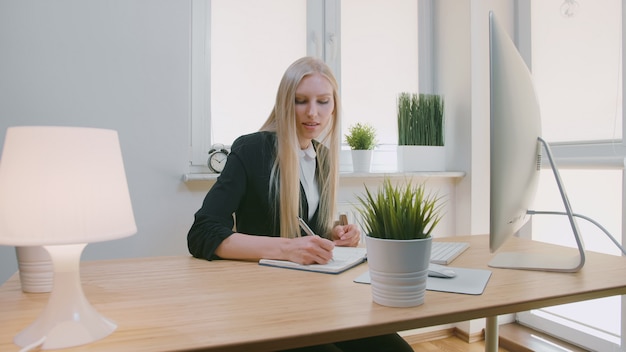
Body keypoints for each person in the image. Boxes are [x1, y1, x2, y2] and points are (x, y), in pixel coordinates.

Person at [187, 56, 414, 352]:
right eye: (301, 100)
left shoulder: (322, 157)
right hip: (266, 306)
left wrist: (333, 234)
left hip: (316, 298)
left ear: (334, 107)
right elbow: (202, 233)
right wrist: (286, 248)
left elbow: (307, 227)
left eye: (323, 102)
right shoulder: (251, 149)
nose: (312, 113)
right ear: (285, 102)